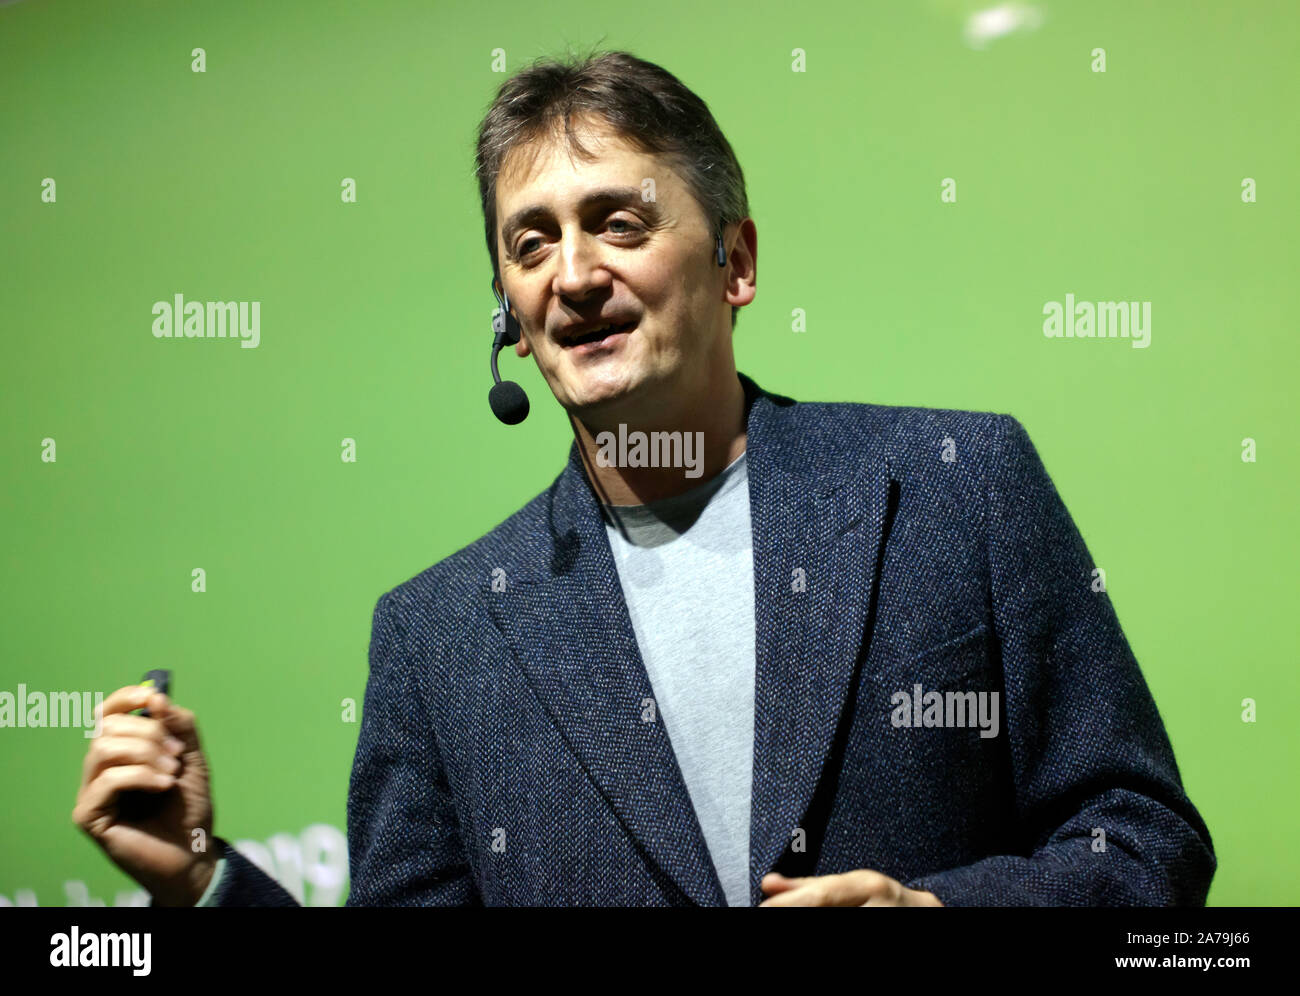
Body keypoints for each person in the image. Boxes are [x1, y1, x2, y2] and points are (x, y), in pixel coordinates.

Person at [74, 49, 1215, 907]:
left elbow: (1143, 840)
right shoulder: (438, 640)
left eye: (616, 221)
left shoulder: (956, 485)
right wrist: (205, 883)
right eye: (529, 244)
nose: (573, 275)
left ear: (738, 262)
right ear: (510, 323)